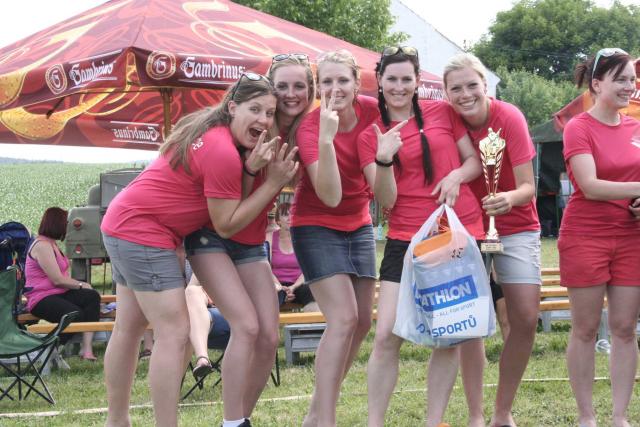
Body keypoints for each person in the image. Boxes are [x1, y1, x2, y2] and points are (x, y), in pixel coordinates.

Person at [100, 73, 298, 427]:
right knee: (175, 333)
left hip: (123, 221)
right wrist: (273, 183)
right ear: (232, 107)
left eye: (269, 113)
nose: (264, 120)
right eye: (255, 109)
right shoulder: (222, 150)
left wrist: (251, 171)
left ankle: (117, 422)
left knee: (128, 327)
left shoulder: (210, 130)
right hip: (144, 231)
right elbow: (226, 225)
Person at [359, 46, 484, 427]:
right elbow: (386, 200)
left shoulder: (442, 112)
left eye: (406, 79)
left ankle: (434, 421)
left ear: (417, 82)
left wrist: (455, 176)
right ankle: (375, 422)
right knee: (386, 335)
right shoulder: (370, 135)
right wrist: (383, 158)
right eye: (391, 79)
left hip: (453, 234)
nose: (399, 87)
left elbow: (474, 162)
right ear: (379, 81)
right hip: (404, 238)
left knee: (449, 335)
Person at [443, 52, 541, 427]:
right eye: (456, 88)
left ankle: (503, 411)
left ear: (485, 85)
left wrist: (509, 198)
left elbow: (529, 187)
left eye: (472, 85)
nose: (465, 94)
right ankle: (476, 415)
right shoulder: (445, 117)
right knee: (470, 321)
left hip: (515, 226)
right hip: (467, 228)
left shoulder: (509, 117)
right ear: (446, 93)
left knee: (525, 319)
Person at [291, 49, 379, 427]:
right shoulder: (310, 128)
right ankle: (325, 418)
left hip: (359, 224)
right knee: (343, 319)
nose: (335, 88)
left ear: (357, 83)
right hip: (315, 224)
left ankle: (316, 413)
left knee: (362, 323)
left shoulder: (374, 112)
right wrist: (327, 140)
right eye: (326, 81)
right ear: (317, 87)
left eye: (343, 80)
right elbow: (330, 195)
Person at [560, 48, 640, 427]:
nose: (629, 86)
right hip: (585, 236)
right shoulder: (578, 127)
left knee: (624, 329)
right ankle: (586, 416)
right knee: (586, 329)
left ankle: (620, 416)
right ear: (596, 84)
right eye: (620, 79)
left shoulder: (637, 127)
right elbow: (590, 186)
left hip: (632, 237)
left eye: (632, 79)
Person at [24, 207, 101, 361]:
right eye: (65, 223)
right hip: (41, 298)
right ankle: (48, 349)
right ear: (56, 223)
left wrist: (84, 288)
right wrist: (81, 285)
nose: (67, 226)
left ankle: (86, 350)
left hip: (58, 294)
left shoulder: (52, 244)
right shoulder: (42, 246)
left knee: (92, 297)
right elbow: (57, 280)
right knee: (74, 314)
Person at [267, 202, 318, 312]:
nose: (290, 217)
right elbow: (265, 266)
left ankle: (312, 322)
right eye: (286, 214)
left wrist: (293, 287)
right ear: (278, 220)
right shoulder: (269, 237)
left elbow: (308, 268)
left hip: (299, 284)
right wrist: (280, 287)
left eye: (293, 214)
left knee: (312, 292)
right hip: (276, 283)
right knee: (270, 295)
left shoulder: (304, 238)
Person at [183, 273, 230, 380]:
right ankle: (202, 358)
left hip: (236, 316)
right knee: (191, 291)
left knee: (186, 325)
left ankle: (202, 359)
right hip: (204, 316)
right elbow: (190, 289)